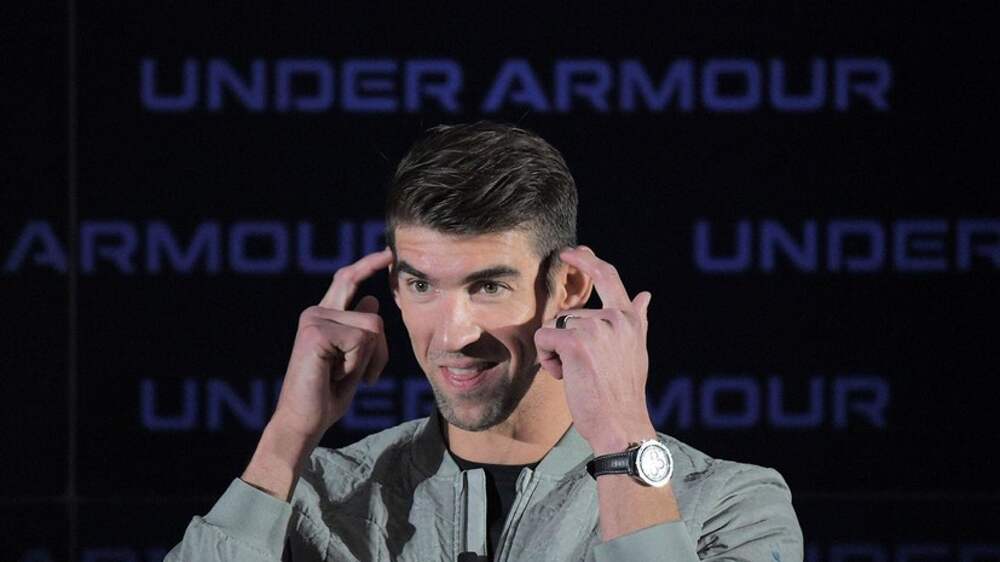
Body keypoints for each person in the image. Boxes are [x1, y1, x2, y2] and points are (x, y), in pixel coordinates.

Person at [165, 121, 803, 562]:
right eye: (422, 285)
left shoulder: (728, 504)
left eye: (489, 287)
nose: (453, 334)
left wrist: (625, 444)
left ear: (569, 286)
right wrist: (285, 438)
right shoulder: (316, 498)